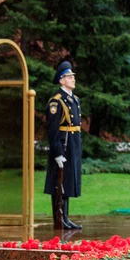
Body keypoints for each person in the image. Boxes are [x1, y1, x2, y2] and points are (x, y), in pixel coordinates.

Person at [44, 61, 83, 230]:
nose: (73, 79)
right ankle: (59, 218)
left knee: (67, 183)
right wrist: (58, 152)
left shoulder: (74, 99)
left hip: (72, 145)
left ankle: (66, 217)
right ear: (61, 80)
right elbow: (53, 130)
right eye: (69, 76)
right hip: (63, 146)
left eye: (73, 76)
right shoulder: (56, 102)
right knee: (58, 184)